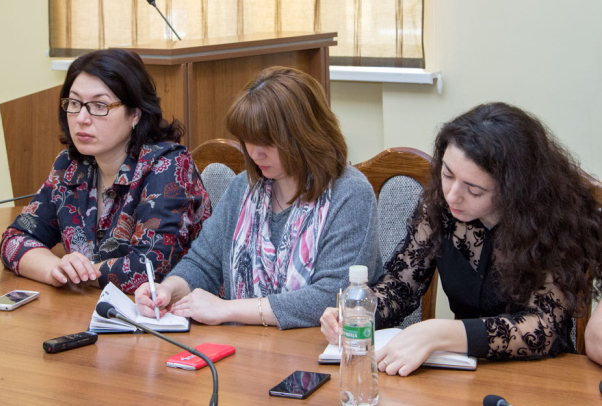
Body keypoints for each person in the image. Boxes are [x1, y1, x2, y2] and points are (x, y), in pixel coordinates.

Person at [320, 102, 602, 375]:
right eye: (447, 174)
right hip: (462, 373)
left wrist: (443, 333)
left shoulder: (553, 221)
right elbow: (400, 286)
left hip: (538, 377)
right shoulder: (439, 208)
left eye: (474, 190)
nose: (452, 196)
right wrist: (357, 313)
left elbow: (543, 328)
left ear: (514, 190)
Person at [135, 66, 381, 329]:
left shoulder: (350, 194)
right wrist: (168, 289)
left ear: (306, 136)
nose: (255, 154)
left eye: (267, 142)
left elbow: (333, 296)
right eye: (248, 140)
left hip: (315, 347)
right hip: (244, 346)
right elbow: (203, 264)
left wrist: (227, 309)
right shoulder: (243, 188)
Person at [0, 49, 210, 294]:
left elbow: (148, 270)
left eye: (99, 106)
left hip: (175, 311)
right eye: (75, 103)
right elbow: (15, 239)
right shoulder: (69, 165)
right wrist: (55, 269)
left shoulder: (168, 164)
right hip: (94, 307)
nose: (81, 118)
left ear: (135, 114)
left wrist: (80, 273)